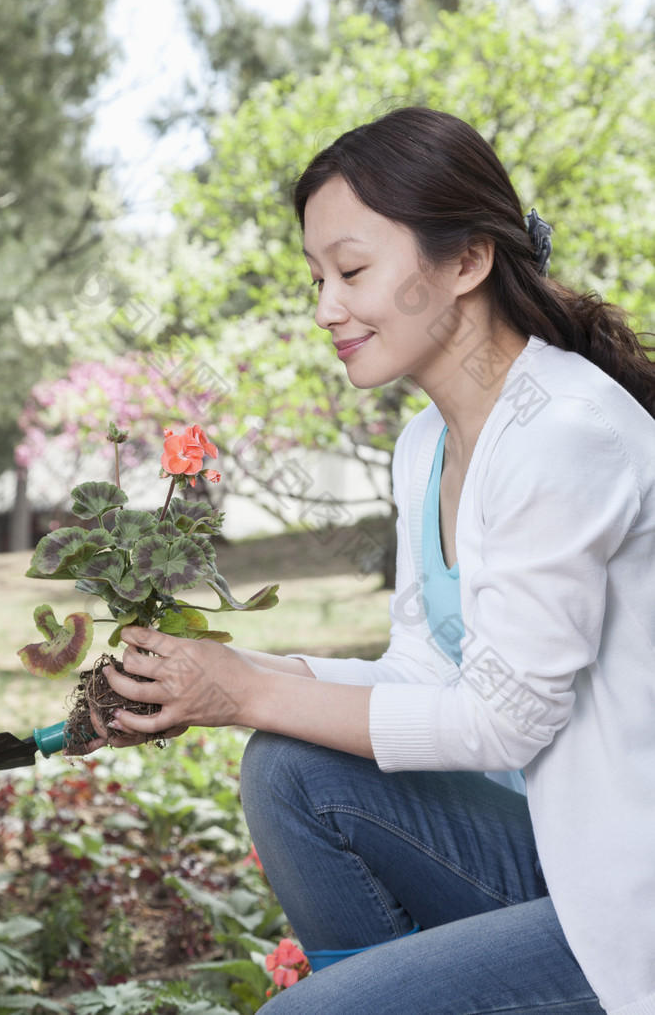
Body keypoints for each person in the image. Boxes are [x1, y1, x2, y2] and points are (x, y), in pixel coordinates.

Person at [88, 107, 655, 1015]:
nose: (325, 308)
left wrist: (244, 688)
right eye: (318, 277)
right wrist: (200, 682)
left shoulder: (563, 435)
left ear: (467, 260)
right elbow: (420, 672)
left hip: (629, 899)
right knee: (293, 770)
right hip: (557, 853)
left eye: (352, 271)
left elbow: (502, 723)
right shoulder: (428, 442)